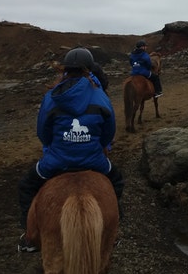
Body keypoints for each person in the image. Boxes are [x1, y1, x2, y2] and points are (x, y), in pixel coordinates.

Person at [17, 47, 124, 252]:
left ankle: (29, 237)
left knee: (26, 187)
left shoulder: (51, 97)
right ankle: (113, 233)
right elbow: (109, 133)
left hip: (56, 161)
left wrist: (56, 147)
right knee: (117, 181)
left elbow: (43, 133)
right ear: (89, 69)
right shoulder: (100, 96)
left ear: (65, 69)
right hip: (94, 160)